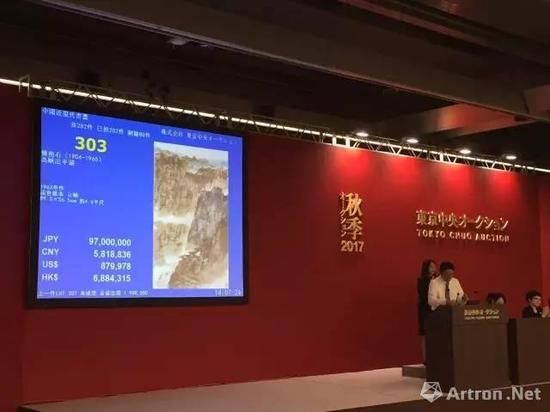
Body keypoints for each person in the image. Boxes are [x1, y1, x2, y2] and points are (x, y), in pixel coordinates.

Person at [417, 259, 437, 363]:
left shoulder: (438, 280)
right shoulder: (422, 280)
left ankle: (435, 356)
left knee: (435, 334)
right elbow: (423, 295)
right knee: (425, 334)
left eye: (434, 266)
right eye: (431, 267)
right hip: (425, 310)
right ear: (426, 268)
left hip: (436, 310)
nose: (434, 269)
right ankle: (426, 359)